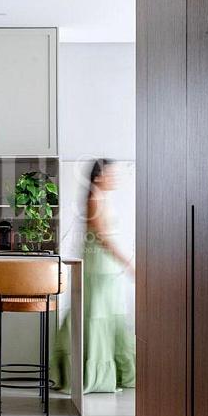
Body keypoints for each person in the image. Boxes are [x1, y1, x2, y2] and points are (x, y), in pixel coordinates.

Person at [51, 159, 135, 393]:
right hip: (99, 268)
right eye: (111, 174)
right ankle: (87, 374)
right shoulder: (94, 200)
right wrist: (128, 263)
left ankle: (114, 372)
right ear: (98, 177)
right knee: (95, 315)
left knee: (107, 316)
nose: (115, 178)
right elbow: (103, 238)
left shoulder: (102, 198)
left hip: (106, 268)